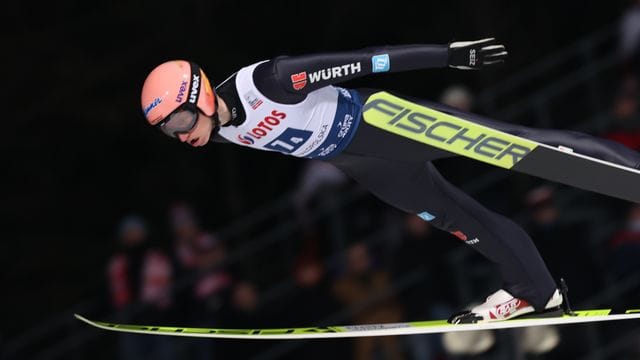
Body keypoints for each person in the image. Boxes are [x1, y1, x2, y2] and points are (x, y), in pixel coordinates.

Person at [139, 38, 640, 323]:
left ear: (199, 95)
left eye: (180, 123)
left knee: (518, 147)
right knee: (456, 217)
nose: (181, 136)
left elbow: (371, 60)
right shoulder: (218, 133)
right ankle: (535, 290)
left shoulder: (270, 80)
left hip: (383, 123)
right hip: (362, 164)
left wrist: (448, 55)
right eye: (168, 133)